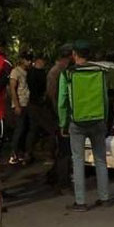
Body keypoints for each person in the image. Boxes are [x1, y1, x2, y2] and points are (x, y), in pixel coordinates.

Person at [58, 40, 111, 211]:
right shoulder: (100, 72)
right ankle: (104, 198)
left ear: (74, 54)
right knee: (101, 160)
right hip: (98, 120)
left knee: (78, 160)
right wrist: (106, 118)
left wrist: (63, 123)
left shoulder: (67, 74)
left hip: (77, 122)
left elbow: (62, 102)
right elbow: (105, 98)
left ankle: (80, 202)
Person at [46, 43, 74, 194]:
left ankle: (54, 176)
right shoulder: (58, 72)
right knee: (65, 150)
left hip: (59, 113)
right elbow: (54, 97)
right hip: (60, 115)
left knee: (64, 149)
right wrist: (61, 117)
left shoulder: (57, 71)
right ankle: (62, 183)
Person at [8, 51, 33, 165]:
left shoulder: (28, 72)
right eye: (27, 59)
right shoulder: (15, 71)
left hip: (27, 103)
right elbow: (12, 88)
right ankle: (13, 152)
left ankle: (22, 152)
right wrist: (16, 104)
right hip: (20, 103)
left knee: (26, 128)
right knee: (19, 128)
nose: (29, 62)